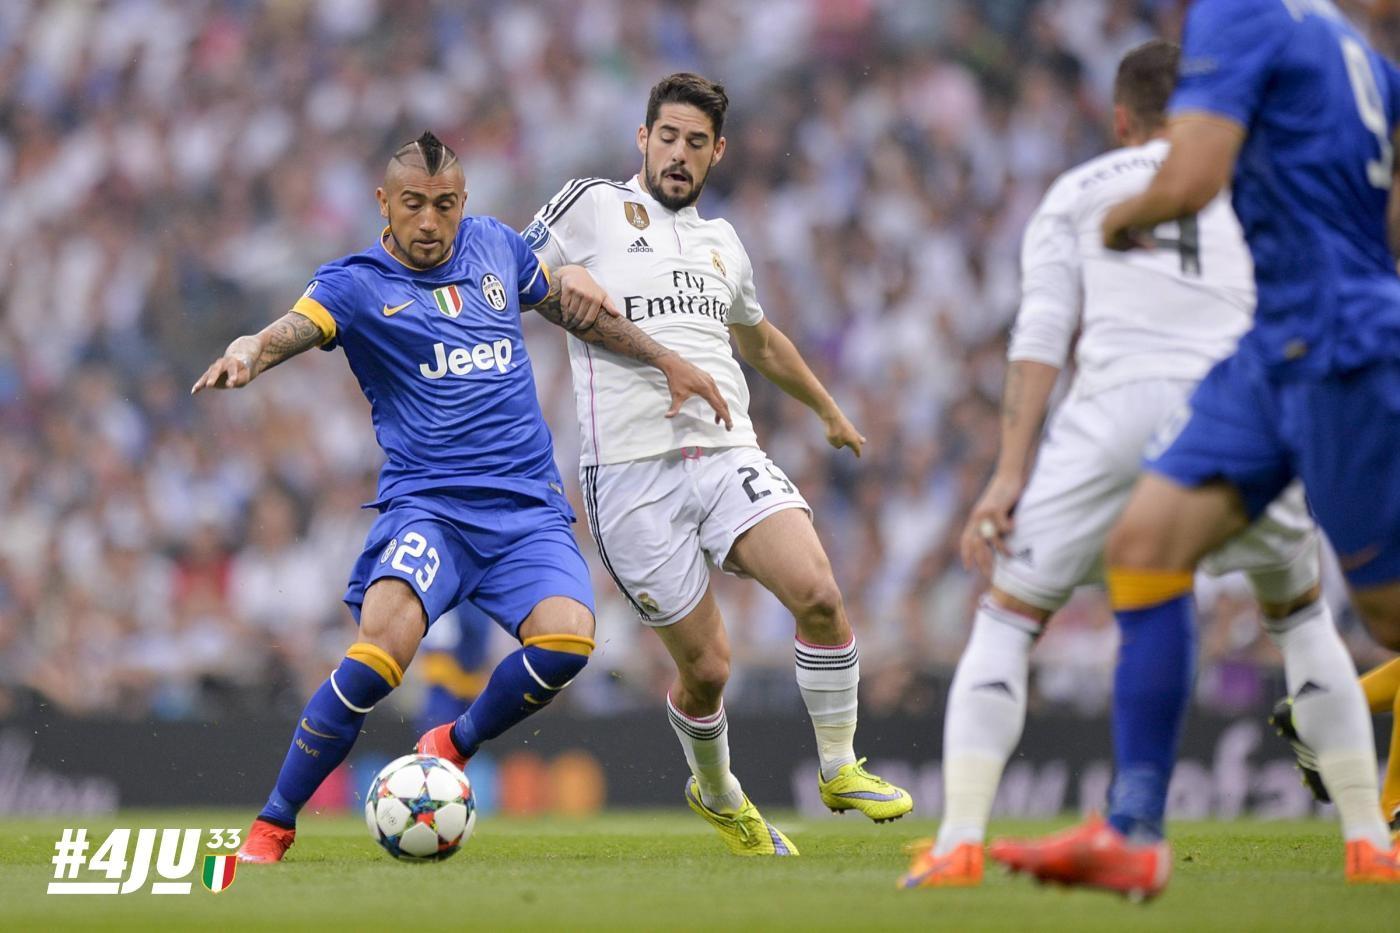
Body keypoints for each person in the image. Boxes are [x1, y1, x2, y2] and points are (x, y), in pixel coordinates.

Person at [899, 39, 1385, 890]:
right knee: (1302, 618)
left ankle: (959, 842)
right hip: (1235, 408)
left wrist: (1008, 473)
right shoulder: (1250, 178)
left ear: (1121, 119)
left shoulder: (1075, 191)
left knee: (1008, 618)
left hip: (1112, 413)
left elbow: (1041, 338)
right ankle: (1367, 839)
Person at [193, 131, 730, 863]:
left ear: (463, 202)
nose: (429, 221)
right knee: (377, 658)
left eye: (444, 205)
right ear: (384, 203)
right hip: (430, 512)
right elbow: (294, 327)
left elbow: (575, 310)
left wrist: (665, 359)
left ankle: (454, 741)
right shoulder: (355, 283)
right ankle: (274, 822)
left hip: (526, 514)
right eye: (413, 204)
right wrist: (251, 348)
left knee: (569, 640)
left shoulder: (497, 248)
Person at [510, 72, 913, 856]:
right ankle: (719, 789)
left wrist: (827, 407)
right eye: (668, 136)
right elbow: (508, 271)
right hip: (630, 472)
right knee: (709, 670)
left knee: (820, 594)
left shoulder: (723, 241)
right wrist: (562, 275)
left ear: (717, 152)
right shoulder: (590, 204)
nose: (679, 153)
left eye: (696, 142)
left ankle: (839, 766)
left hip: (728, 451)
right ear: (643, 138)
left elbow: (758, 339)